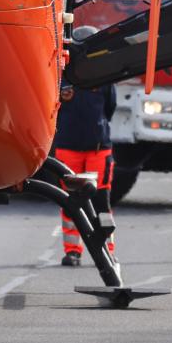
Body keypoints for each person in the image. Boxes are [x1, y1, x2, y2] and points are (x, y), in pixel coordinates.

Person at [53, 77, 117, 267]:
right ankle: (72, 252)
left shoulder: (105, 77)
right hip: (67, 149)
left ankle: (107, 251)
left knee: (101, 202)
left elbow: (110, 108)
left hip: (98, 150)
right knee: (70, 201)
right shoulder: (60, 77)